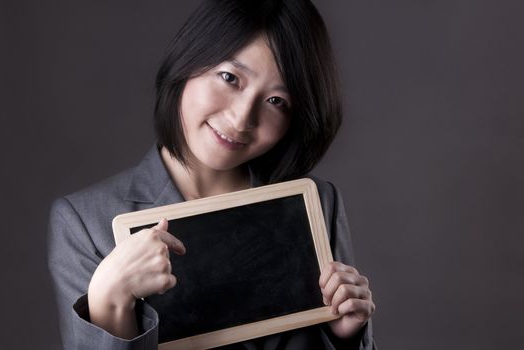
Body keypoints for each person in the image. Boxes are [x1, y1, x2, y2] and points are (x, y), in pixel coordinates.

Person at [47, 0, 376, 349]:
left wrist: (348, 336)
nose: (241, 119)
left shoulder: (317, 204)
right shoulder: (84, 221)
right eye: (230, 78)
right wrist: (108, 299)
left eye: (277, 101)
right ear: (188, 61)